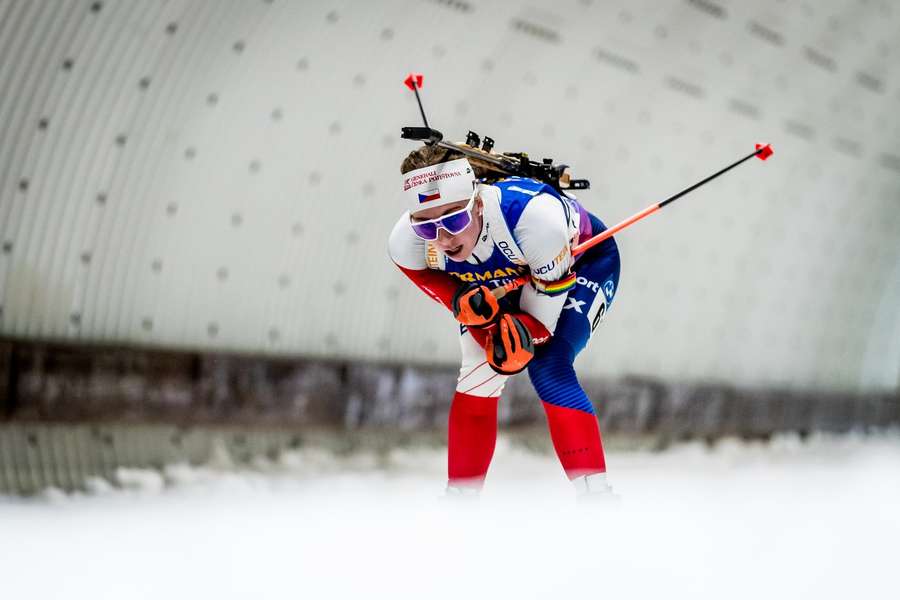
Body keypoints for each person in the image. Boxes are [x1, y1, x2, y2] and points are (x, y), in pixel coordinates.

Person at [388, 144, 621, 499]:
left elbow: (538, 329)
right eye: (427, 228)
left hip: (579, 264)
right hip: (503, 277)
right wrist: (470, 311)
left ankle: (597, 499)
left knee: (548, 366)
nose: (444, 239)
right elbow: (452, 295)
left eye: (454, 219)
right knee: (478, 374)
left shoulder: (535, 220)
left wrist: (520, 334)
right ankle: (460, 503)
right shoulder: (406, 243)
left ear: (478, 203)